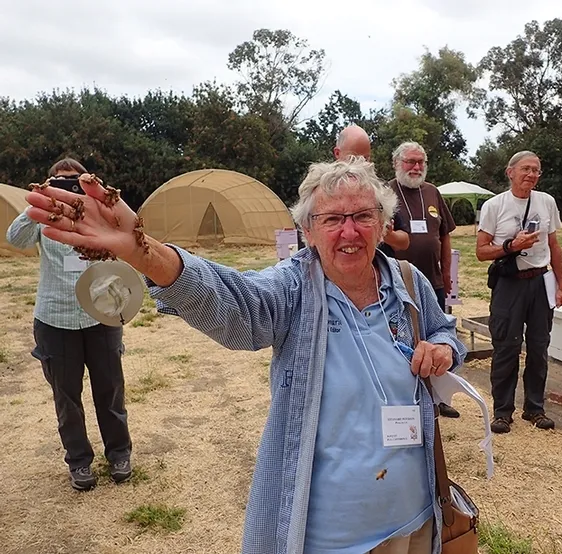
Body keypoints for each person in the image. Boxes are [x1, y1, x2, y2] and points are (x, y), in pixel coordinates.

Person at [25, 157, 467, 554]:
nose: (348, 231)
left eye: (363, 216)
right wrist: (144, 251)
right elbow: (236, 304)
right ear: (307, 231)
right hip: (335, 537)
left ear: (383, 223)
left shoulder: (407, 282)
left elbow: (445, 331)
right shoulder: (293, 289)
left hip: (417, 517)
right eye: (332, 219)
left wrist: (444, 348)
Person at [6, 158, 132, 491]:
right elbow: (15, 238)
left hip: (100, 313)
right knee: (66, 396)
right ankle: (79, 462)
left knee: (110, 389)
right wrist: (42, 201)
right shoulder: (43, 216)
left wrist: (99, 199)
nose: (68, 189)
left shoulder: (96, 212)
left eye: (73, 182)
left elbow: (125, 236)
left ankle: (119, 454)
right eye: (59, 182)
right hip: (55, 317)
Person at [476, 151, 562, 434]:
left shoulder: (546, 202)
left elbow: (553, 246)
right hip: (510, 284)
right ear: (510, 172)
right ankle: (502, 411)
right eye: (526, 169)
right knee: (506, 346)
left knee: (539, 347)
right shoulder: (494, 206)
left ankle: (535, 408)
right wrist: (510, 247)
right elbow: (481, 251)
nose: (531, 175)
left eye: (536, 170)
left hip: (540, 282)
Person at [388, 141, 460, 419]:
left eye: (420, 162)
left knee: (440, 340)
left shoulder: (432, 192)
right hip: (399, 282)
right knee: (403, 339)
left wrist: (447, 272)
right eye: (410, 162)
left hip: (433, 281)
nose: (416, 167)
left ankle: (441, 398)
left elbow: (444, 234)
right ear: (397, 164)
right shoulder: (386, 193)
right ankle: (408, 397)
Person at [334, 125, 410, 257]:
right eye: (353, 158)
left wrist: (387, 234)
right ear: (337, 153)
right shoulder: (323, 191)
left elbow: (405, 241)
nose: (360, 164)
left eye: (366, 159)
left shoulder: (380, 190)